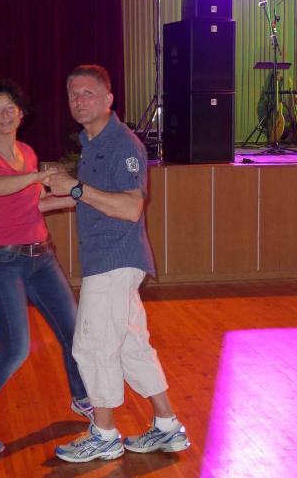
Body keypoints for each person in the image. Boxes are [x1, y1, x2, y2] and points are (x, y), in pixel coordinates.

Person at [46, 64, 190, 463]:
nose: (79, 101)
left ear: (109, 99)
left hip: (114, 260)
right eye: (73, 94)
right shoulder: (92, 142)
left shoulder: (122, 144)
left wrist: (75, 188)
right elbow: (89, 196)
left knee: (92, 346)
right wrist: (43, 202)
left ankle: (104, 434)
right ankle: (167, 426)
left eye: (88, 93)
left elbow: (130, 207)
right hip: (112, 261)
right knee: (131, 346)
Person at [0, 80, 93, 456]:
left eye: (10, 107)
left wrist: (77, 197)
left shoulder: (27, 153)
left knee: (74, 333)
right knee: (15, 350)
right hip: (4, 262)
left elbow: (36, 204)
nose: (5, 114)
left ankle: (82, 397)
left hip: (41, 257)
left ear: (21, 113)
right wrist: (39, 176)